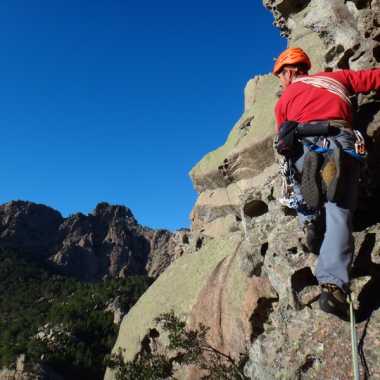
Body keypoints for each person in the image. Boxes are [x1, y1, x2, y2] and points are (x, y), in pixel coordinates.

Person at [272, 47, 380, 320]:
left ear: (289, 71)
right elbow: (373, 79)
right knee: (339, 209)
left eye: (280, 76)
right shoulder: (337, 79)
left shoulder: (284, 100)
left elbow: (281, 140)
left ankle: (309, 218)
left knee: (298, 182)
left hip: (302, 143)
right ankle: (332, 286)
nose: (281, 81)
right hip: (337, 135)